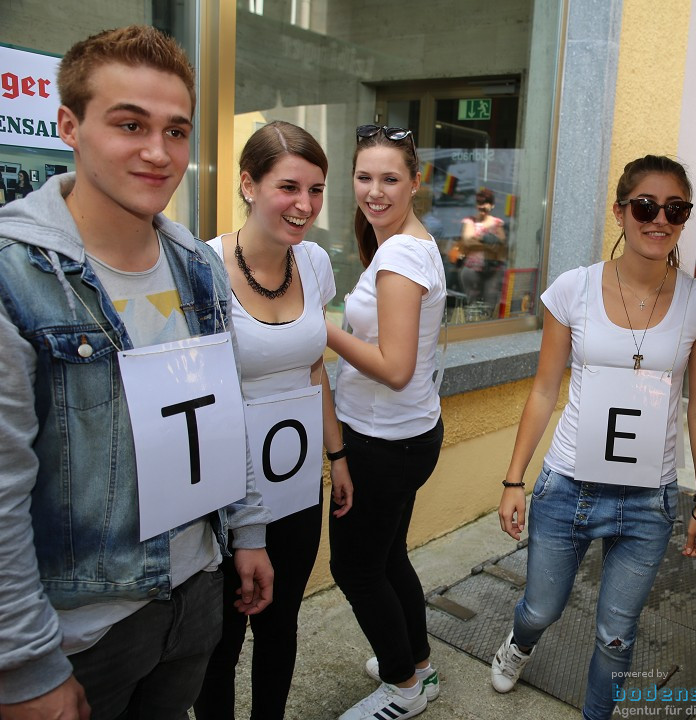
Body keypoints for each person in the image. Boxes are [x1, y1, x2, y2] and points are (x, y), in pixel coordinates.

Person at [0, 26, 273, 719]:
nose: (158, 152)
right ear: (70, 125)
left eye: (176, 131)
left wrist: (247, 535)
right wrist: (26, 667)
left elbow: (223, 414)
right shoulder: (16, 278)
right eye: (130, 124)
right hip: (81, 636)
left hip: (196, 597)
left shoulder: (196, 264)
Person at [492, 155, 696, 720]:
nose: (659, 220)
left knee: (616, 635)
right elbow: (545, 390)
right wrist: (513, 478)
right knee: (541, 608)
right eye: (646, 206)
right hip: (568, 484)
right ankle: (519, 643)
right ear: (620, 211)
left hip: (649, 497)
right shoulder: (573, 290)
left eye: (676, 209)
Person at [194, 121, 353, 720]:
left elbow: (315, 369)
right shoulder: (204, 268)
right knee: (223, 638)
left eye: (316, 190)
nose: (305, 205)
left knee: (282, 622)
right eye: (289, 187)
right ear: (248, 184)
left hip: (295, 479)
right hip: (226, 487)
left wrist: (335, 457)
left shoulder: (312, 262)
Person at [326, 124, 446, 720]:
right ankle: (418, 665)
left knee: (354, 567)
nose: (375, 191)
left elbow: (395, 367)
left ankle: (402, 687)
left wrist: (314, 326)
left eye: (390, 179)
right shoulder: (413, 242)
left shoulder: (400, 252)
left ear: (415, 182)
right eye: (364, 177)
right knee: (388, 556)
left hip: (383, 441)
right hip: (408, 434)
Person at [458, 187, 506, 316]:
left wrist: (478, 239)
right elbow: (468, 241)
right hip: (472, 268)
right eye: (480, 204)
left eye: (486, 204)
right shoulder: (470, 221)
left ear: (492, 205)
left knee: (489, 305)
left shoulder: (497, 223)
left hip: (493, 269)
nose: (482, 207)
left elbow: (502, 242)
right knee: (472, 305)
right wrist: (489, 245)